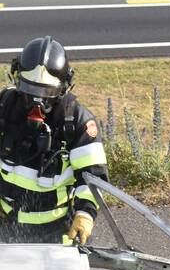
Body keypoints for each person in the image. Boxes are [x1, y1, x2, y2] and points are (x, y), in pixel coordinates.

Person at [0, 36, 108, 244]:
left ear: (64, 88)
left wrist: (85, 215)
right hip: (6, 226)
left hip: (58, 234)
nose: (36, 102)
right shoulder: (4, 108)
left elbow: (94, 179)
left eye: (47, 92)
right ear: (16, 79)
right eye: (30, 90)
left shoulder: (77, 122)